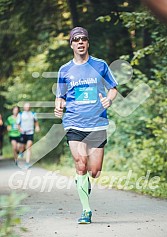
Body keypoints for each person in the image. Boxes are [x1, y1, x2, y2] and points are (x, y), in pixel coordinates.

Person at [54, 27, 118, 224]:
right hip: (74, 122)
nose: (80, 42)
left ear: (88, 43)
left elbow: (113, 88)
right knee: (80, 165)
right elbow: (60, 97)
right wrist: (59, 106)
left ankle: (83, 180)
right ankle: (86, 210)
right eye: (76, 39)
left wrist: (109, 99)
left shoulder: (100, 65)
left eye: (83, 39)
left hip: (97, 122)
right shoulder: (65, 70)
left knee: (94, 171)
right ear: (71, 44)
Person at [17, 102, 40, 168]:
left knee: (29, 147)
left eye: (28, 106)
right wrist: (20, 129)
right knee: (22, 147)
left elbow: (36, 122)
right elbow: (18, 124)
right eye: (26, 106)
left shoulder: (33, 114)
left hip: (30, 132)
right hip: (23, 133)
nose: (27, 107)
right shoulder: (20, 114)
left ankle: (27, 163)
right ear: (24, 107)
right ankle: (21, 153)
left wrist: (37, 127)